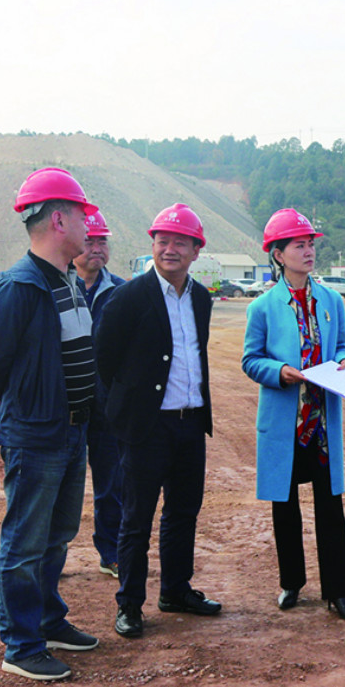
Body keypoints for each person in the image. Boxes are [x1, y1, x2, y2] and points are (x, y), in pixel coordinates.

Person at [0, 167, 101, 681]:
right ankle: (21, 645)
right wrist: (26, 398)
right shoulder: (19, 287)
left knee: (57, 534)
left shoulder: (67, 280)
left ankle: (48, 621)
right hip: (36, 434)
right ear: (58, 221)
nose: (89, 227)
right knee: (26, 541)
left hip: (71, 431)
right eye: (81, 217)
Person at [95, 203, 220, 640]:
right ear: (152, 245)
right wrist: (128, 410)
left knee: (183, 512)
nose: (170, 249)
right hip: (146, 428)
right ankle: (129, 604)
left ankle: (176, 590)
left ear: (196, 251)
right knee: (136, 519)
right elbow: (104, 360)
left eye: (180, 243)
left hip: (190, 423)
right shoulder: (128, 297)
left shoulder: (200, 298)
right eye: (163, 241)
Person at [241, 209, 345, 621]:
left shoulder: (331, 300)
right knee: (285, 505)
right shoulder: (263, 307)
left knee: (331, 506)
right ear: (278, 254)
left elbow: (342, 345)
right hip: (285, 423)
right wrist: (280, 372)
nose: (308, 251)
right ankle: (291, 582)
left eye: (311, 244)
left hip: (321, 423)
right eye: (299, 245)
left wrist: (343, 362)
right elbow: (251, 359)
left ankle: (338, 593)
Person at [73, 210, 127, 580]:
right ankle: (49, 554)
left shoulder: (122, 292)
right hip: (66, 403)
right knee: (59, 483)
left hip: (109, 405)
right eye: (90, 240)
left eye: (102, 241)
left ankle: (111, 552)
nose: (97, 248)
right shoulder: (55, 288)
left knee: (112, 482)